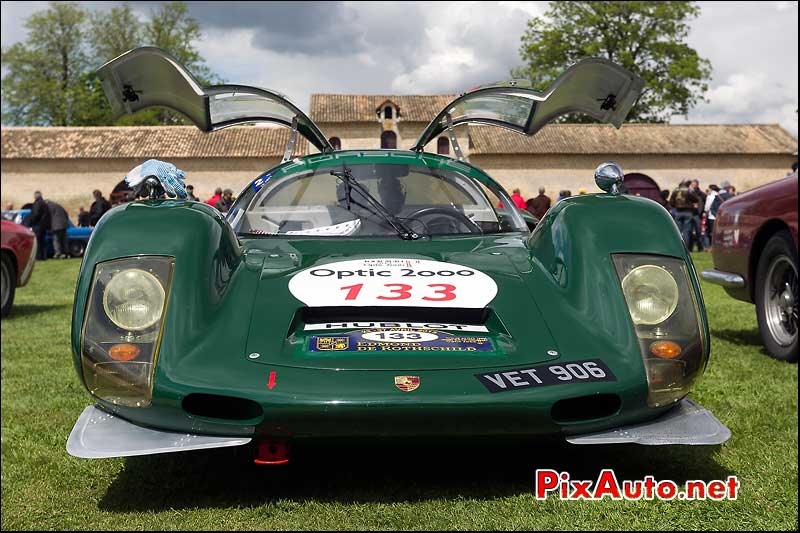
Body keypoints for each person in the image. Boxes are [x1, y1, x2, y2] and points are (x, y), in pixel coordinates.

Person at [669, 180, 699, 246]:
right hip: (688, 212)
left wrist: (676, 206)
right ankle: (685, 248)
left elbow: (671, 202)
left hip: (678, 212)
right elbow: (696, 199)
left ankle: (678, 246)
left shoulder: (675, 191)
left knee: (678, 231)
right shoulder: (688, 190)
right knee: (686, 231)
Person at [28, 191, 51, 261]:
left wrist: (31, 221)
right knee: (42, 241)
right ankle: (44, 256)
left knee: (37, 241)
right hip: (43, 226)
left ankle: (38, 257)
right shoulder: (45, 203)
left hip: (37, 225)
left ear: (36, 196)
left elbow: (35, 214)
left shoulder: (37, 203)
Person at [688, 179, 706, 252]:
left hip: (697, 214)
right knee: (689, 231)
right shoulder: (688, 193)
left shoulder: (701, 194)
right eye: (692, 185)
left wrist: (703, 211)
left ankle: (700, 248)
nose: (693, 186)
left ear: (697, 185)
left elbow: (703, 203)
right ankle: (690, 248)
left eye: (695, 185)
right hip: (689, 213)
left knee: (698, 232)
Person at [704, 184, 721, 249]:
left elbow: (707, 208)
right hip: (718, 216)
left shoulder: (710, 196)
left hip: (711, 216)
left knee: (710, 232)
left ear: (711, 189)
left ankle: (710, 246)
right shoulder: (719, 196)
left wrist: (705, 212)